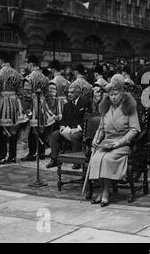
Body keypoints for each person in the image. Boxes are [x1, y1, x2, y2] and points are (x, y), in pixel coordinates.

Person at [88, 75, 140, 207]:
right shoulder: (105, 107)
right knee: (96, 159)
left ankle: (105, 192)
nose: (113, 97)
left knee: (107, 159)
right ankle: (103, 190)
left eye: (116, 94)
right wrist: (96, 140)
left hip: (122, 143)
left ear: (121, 93)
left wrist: (119, 143)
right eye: (110, 95)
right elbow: (101, 128)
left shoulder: (129, 107)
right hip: (107, 142)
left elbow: (134, 130)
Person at [21, 55, 55, 161]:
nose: (26, 65)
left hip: (33, 105)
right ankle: (41, 152)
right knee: (41, 129)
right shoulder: (45, 78)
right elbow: (48, 95)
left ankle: (32, 153)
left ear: (31, 64)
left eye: (27, 63)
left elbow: (26, 97)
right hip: (43, 104)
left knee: (31, 129)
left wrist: (24, 110)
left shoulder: (29, 78)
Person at [0, 53, 28, 165]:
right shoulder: (18, 74)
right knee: (13, 130)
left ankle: (1, 156)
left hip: (3, 102)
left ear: (0, 61)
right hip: (15, 103)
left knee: (2, 130)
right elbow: (21, 93)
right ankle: (13, 156)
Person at [46, 86, 87, 168]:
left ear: (78, 93)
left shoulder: (85, 103)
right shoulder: (67, 105)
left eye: (72, 92)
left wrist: (78, 128)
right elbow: (63, 119)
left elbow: (87, 119)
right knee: (55, 134)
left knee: (74, 136)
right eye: (69, 92)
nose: (69, 94)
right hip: (68, 129)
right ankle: (54, 159)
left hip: (80, 130)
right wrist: (62, 126)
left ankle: (77, 162)